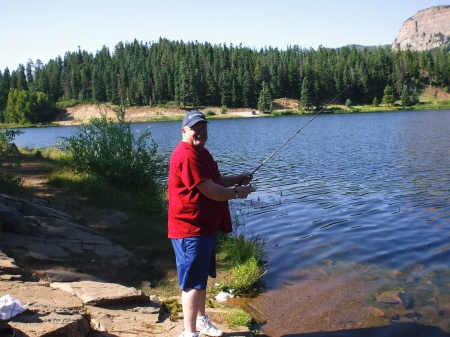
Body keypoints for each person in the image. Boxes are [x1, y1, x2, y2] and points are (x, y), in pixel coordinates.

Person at [168, 110, 253, 337]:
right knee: (191, 283)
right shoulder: (186, 155)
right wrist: (236, 193)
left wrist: (236, 179)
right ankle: (189, 333)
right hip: (190, 229)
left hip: (203, 227)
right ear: (184, 130)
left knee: (200, 277)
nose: (201, 133)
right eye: (195, 128)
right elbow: (212, 191)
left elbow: (215, 181)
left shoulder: (200, 152)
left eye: (203, 128)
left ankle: (201, 321)